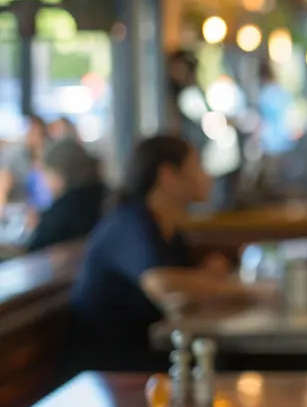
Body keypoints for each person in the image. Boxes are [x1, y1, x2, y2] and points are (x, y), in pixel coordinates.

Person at [66, 135, 261, 374]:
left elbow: (176, 290)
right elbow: (160, 282)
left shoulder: (165, 226)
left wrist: (206, 277)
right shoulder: (130, 221)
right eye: (197, 166)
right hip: (111, 370)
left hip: (144, 357)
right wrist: (243, 289)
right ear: (168, 175)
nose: (206, 175)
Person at [26, 139, 107, 252]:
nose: (45, 183)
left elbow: (34, 251)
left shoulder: (62, 211)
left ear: (59, 175)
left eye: (46, 175)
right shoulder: (107, 196)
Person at [0, 115, 50, 210]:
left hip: (41, 205)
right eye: (30, 132)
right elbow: (3, 181)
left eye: (37, 133)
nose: (33, 136)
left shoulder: (47, 152)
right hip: (18, 204)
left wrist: (39, 150)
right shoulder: (14, 152)